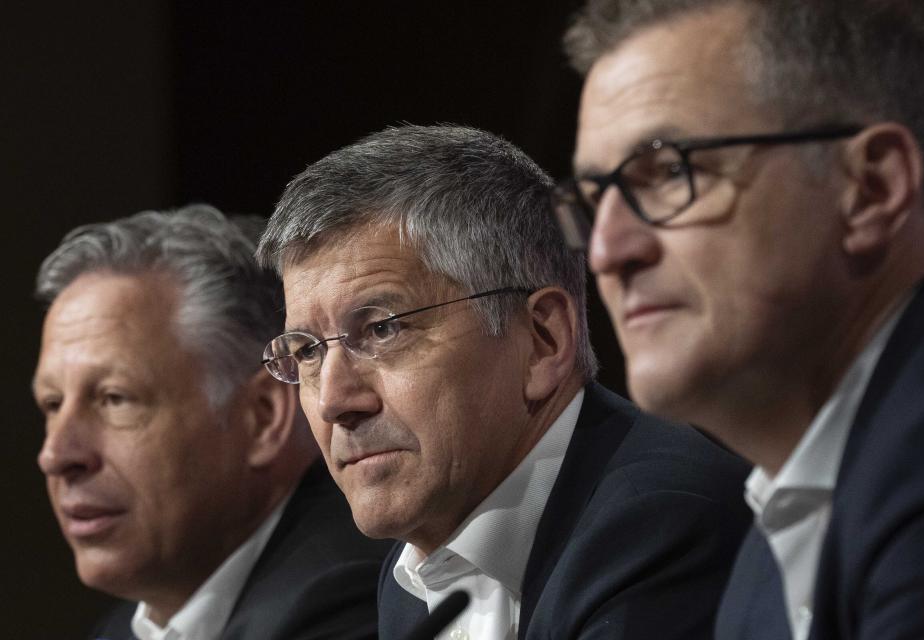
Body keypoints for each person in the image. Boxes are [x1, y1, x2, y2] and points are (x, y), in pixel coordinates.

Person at [556, 1, 924, 638]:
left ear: (871, 188)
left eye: (667, 172)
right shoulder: (766, 543)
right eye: (594, 200)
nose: (607, 252)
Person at [255, 124, 751, 639]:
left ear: (542, 341)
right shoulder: (412, 573)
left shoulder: (662, 527)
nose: (335, 400)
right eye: (308, 352)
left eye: (383, 329)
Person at [33, 205, 390, 640]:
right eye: (52, 404)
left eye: (114, 399)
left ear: (262, 417)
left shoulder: (351, 601)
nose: (56, 455)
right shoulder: (121, 630)